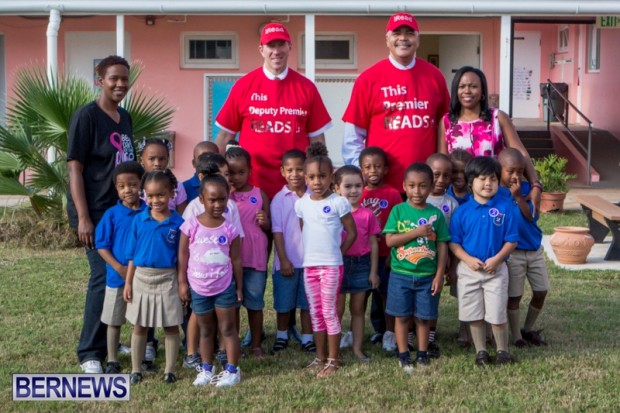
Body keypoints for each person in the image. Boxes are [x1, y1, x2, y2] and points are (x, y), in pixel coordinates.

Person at [67, 55, 135, 373]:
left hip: (119, 211)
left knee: (117, 277)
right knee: (101, 276)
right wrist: (83, 217)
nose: (120, 84)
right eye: (113, 79)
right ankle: (90, 352)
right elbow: (75, 168)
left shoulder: (125, 118)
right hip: (93, 210)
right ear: (100, 81)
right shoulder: (87, 117)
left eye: (124, 79)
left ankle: (111, 338)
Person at [214, 22, 332, 199]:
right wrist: (213, 175)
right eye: (271, 45)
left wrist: (320, 179)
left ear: (290, 47)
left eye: (281, 45)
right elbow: (224, 136)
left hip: (296, 188)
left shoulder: (307, 88)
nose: (276, 51)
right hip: (250, 186)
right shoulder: (243, 86)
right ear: (261, 49)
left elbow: (317, 141)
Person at [342, 12, 450, 194]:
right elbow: (353, 136)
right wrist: (363, 177)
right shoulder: (368, 79)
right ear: (387, 40)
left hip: (425, 188)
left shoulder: (435, 76)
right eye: (397, 33)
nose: (403, 38)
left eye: (409, 33)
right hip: (383, 188)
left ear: (418, 39)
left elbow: (445, 127)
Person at [437, 66, 543, 209]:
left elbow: (521, 153)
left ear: (482, 91)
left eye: (473, 86)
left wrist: (535, 184)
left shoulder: (497, 118)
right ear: (456, 90)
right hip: (460, 196)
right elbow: (443, 161)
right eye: (462, 87)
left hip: (494, 194)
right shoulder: (447, 122)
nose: (467, 91)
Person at [449, 156, 519, 367]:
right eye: (482, 179)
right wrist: (467, 260)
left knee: (497, 314)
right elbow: (454, 242)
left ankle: (502, 351)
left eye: (493, 179)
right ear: (471, 182)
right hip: (469, 271)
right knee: (474, 314)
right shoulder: (462, 211)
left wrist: (497, 259)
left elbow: (512, 240)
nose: (488, 183)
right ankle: (481, 351)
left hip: (495, 271)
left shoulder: (505, 208)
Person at [178, 165, 243, 387]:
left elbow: (236, 260)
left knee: (228, 329)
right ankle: (206, 368)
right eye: (212, 200)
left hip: (224, 287)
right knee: (206, 330)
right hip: (199, 288)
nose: (217, 204)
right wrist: (182, 282)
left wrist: (239, 287)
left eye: (222, 199)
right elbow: (183, 255)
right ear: (201, 199)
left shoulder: (230, 229)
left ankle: (232, 370)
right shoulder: (191, 225)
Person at [295, 142, 356, 377]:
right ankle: (319, 357)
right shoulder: (301, 204)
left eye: (322, 176)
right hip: (309, 266)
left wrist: (338, 252)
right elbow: (305, 229)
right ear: (305, 178)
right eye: (311, 177)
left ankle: (333, 360)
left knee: (329, 312)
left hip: (331, 266)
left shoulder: (338, 202)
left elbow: (352, 232)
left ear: (332, 177)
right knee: (315, 312)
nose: (317, 182)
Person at [383, 162, 449, 373]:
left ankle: (422, 353)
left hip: (427, 276)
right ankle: (403, 354)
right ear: (404, 186)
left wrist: (439, 275)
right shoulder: (398, 211)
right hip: (400, 275)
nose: (417, 191)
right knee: (401, 317)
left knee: (423, 317)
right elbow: (390, 241)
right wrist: (417, 232)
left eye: (422, 186)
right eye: (411, 186)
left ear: (430, 187)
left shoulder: (436, 215)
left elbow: (442, 246)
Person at [123, 170, 184, 384]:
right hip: (142, 278)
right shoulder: (139, 220)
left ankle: (170, 370)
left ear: (171, 194)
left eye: (161, 195)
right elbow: (132, 255)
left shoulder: (178, 223)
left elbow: (181, 257)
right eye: (150, 196)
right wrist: (128, 282)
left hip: (168, 278)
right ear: (144, 195)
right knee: (140, 325)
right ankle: (135, 369)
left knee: (171, 325)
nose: (155, 200)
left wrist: (182, 283)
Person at [95, 161, 146, 374]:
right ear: (116, 188)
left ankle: (140, 359)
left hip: (142, 278)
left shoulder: (149, 212)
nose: (128, 190)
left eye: (133, 185)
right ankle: (113, 360)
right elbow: (101, 245)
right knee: (113, 320)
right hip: (117, 278)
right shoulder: (112, 215)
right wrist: (119, 268)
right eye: (122, 186)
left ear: (141, 185)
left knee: (141, 321)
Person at [497, 148, 550, 347]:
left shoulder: (528, 189)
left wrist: (519, 197)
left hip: (534, 250)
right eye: (510, 171)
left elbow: (531, 216)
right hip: (513, 253)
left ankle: (528, 328)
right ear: (499, 170)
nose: (516, 176)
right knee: (514, 296)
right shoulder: (495, 194)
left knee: (541, 291)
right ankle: (517, 336)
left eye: (520, 171)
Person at [225, 145, 271, 359]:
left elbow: (270, 227)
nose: (236, 177)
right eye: (231, 173)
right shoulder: (224, 196)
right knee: (232, 304)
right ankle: (232, 344)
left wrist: (265, 221)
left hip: (254, 258)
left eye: (241, 172)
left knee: (255, 303)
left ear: (250, 171)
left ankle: (255, 344)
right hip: (231, 260)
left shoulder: (259, 194)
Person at [270, 149, 315, 354]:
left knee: (307, 303)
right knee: (284, 303)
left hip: (310, 261)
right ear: (282, 171)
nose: (295, 174)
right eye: (290, 170)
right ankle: (282, 335)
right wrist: (283, 259)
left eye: (300, 169)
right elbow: (277, 231)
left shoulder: (314, 196)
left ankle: (307, 338)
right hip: (287, 261)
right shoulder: (279, 199)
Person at [358, 146, 403, 352]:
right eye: (367, 167)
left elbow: (399, 226)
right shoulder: (357, 192)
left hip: (385, 255)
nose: (372, 171)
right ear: (361, 169)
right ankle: (363, 331)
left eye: (377, 166)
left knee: (386, 296)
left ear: (385, 169)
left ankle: (389, 333)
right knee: (361, 296)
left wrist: (393, 255)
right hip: (362, 256)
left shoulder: (393, 194)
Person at [334, 165, 381, 361]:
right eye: (348, 186)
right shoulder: (333, 213)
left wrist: (373, 272)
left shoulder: (367, 214)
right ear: (337, 188)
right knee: (337, 310)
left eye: (358, 186)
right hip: (338, 264)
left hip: (361, 265)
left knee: (358, 309)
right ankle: (333, 349)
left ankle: (357, 349)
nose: (353, 190)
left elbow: (373, 243)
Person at [425, 153, 460, 358]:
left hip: (440, 259)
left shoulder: (452, 204)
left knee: (433, 298)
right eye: (436, 174)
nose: (440, 180)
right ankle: (412, 334)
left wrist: (452, 266)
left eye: (446, 176)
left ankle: (430, 337)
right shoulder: (417, 197)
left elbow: (454, 238)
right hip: (417, 258)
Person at [139, 138, 188, 215]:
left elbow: (182, 216)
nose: (157, 163)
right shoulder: (137, 186)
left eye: (162, 159)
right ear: (142, 160)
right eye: (152, 159)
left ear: (167, 160)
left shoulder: (176, 186)